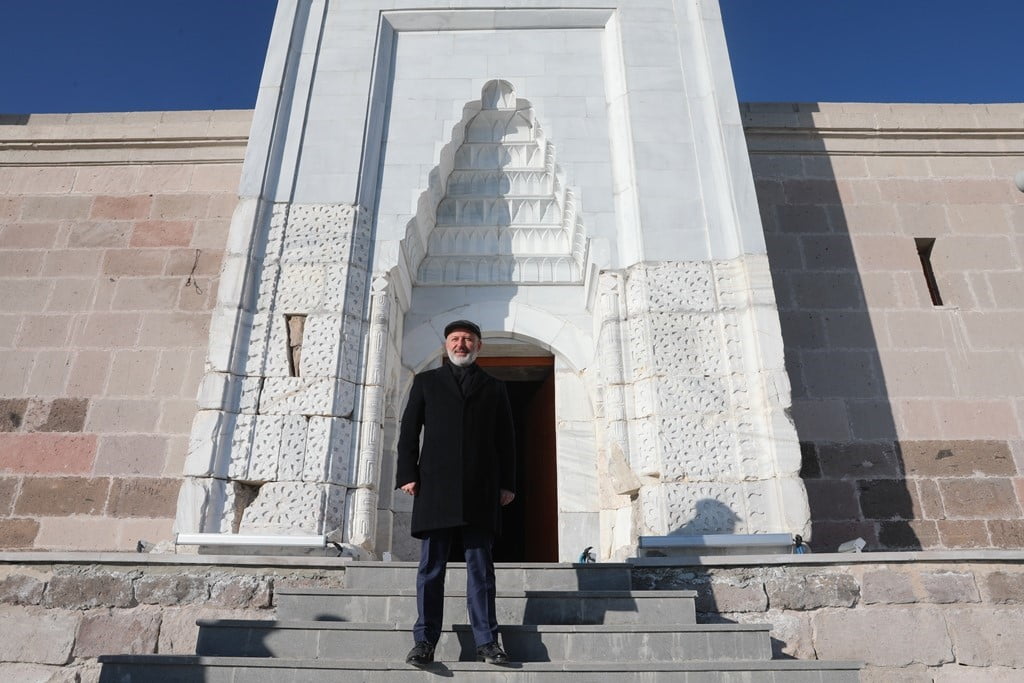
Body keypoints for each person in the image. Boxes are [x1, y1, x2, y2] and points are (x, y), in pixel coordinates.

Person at [396, 320, 517, 667]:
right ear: (446, 345)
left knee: (481, 570)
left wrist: (507, 483)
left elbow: (506, 439)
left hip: (481, 490)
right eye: (455, 339)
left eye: (467, 340)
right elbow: (408, 430)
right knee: (431, 568)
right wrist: (408, 473)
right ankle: (424, 642)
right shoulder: (425, 382)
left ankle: (486, 642)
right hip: (435, 487)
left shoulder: (494, 387)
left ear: (478, 346)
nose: (461, 344)